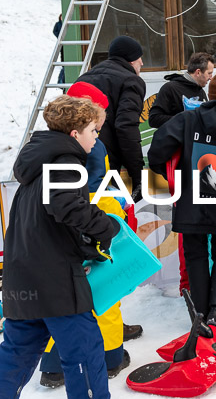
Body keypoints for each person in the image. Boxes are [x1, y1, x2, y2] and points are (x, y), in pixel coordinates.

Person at [0, 95, 117, 398]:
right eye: (94, 130)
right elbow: (65, 206)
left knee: (15, 357)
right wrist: (106, 226)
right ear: (74, 134)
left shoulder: (37, 164)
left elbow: (50, 219)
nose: (97, 137)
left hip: (23, 277)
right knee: (85, 357)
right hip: (57, 283)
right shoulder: (65, 161)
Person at [39, 83, 140, 389]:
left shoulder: (47, 145)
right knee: (105, 287)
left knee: (60, 295)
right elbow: (95, 182)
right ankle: (111, 355)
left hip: (60, 222)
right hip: (96, 214)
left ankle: (53, 364)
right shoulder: (90, 143)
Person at [148, 69, 216, 332]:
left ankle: (200, 311)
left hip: (190, 198)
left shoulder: (187, 119)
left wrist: (173, 175)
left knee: (195, 253)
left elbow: (157, 148)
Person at [76, 35, 147, 203]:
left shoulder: (84, 78)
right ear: (130, 60)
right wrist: (137, 173)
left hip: (76, 157)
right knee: (109, 213)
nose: (142, 63)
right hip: (105, 160)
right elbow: (126, 126)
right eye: (139, 58)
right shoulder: (132, 81)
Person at [148, 52, 214, 128]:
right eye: (209, 73)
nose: (211, 77)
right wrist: (184, 119)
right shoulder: (170, 88)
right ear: (198, 72)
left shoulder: (201, 91)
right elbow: (153, 119)